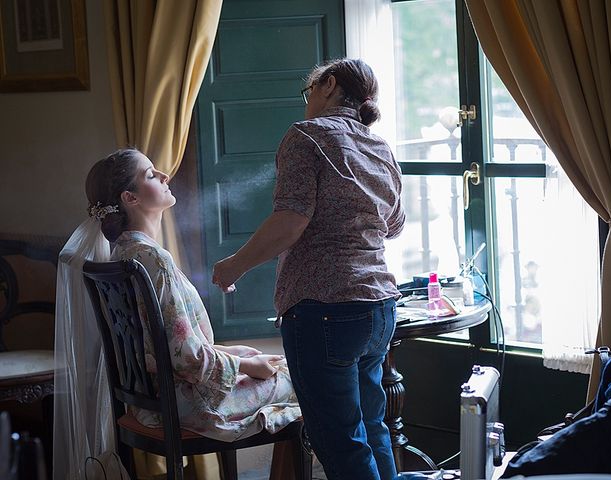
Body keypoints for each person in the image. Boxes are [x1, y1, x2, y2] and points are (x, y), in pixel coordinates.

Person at [53, 148, 301, 479]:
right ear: (130, 197)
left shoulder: (122, 256)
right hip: (189, 405)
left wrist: (231, 353)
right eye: (151, 174)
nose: (164, 176)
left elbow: (159, 346)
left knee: (277, 363)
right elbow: (186, 359)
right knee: (302, 378)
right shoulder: (153, 261)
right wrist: (245, 365)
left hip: (148, 405)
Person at [212, 58, 405, 480]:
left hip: (325, 310)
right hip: (379, 309)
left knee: (340, 441)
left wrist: (234, 266)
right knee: (373, 430)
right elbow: (394, 224)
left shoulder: (306, 137)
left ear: (329, 85)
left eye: (310, 92)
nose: (307, 103)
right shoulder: (379, 146)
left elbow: (290, 222)